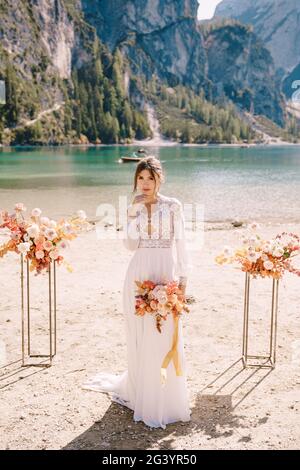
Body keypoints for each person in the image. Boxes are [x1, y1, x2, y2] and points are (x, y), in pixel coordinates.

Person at [82, 156, 192, 429]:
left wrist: (184, 278)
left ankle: (166, 396)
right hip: (139, 273)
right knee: (140, 333)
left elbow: (181, 243)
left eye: (149, 178)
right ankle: (143, 392)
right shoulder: (135, 206)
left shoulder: (173, 206)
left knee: (165, 333)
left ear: (159, 179)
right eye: (140, 178)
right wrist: (130, 215)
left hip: (165, 271)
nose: (144, 184)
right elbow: (130, 245)